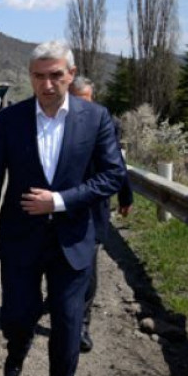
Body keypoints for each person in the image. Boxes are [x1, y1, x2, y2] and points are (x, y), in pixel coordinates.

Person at [0, 40, 126, 376]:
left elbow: (113, 175)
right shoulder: (10, 121)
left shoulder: (96, 119)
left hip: (73, 241)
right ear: (30, 77)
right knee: (16, 316)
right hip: (21, 239)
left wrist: (59, 201)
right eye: (39, 76)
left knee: (68, 325)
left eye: (56, 75)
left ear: (70, 75)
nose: (47, 84)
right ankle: (18, 344)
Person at [68, 76, 134, 353]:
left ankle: (82, 325)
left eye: (88, 101)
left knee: (88, 265)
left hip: (94, 206)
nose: (83, 108)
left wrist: (125, 195)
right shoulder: (56, 120)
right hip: (62, 204)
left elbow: (116, 162)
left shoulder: (105, 122)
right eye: (78, 101)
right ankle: (61, 306)